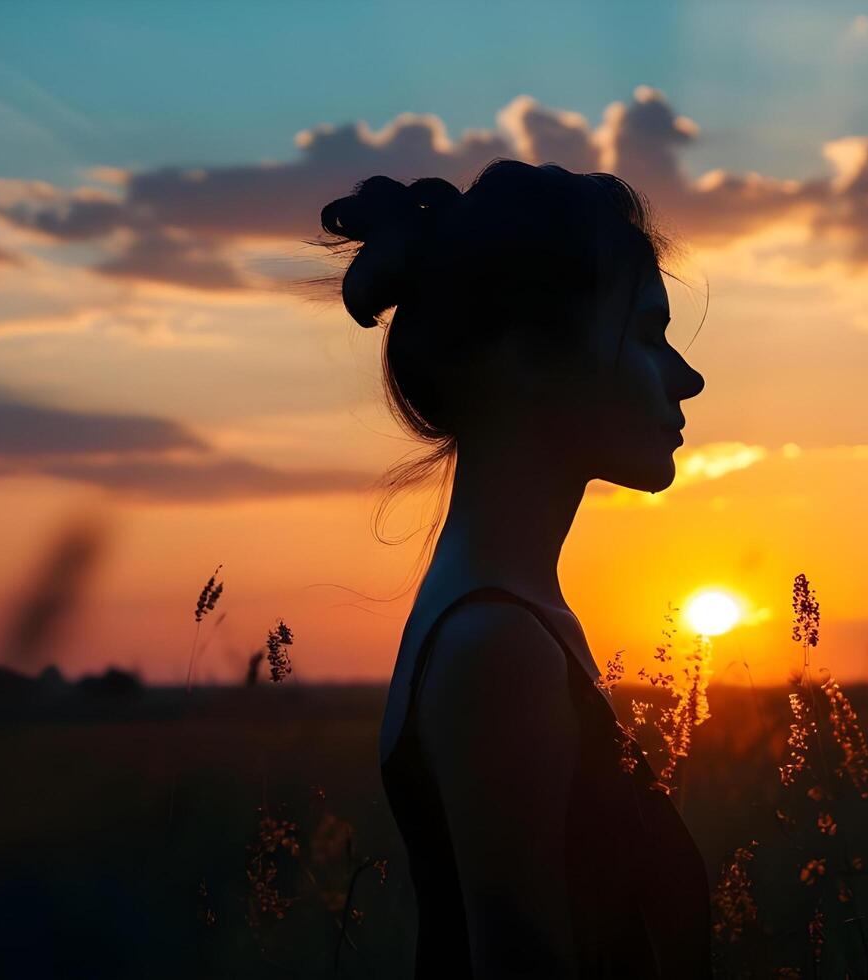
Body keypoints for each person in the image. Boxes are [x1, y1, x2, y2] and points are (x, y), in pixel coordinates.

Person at [317, 159, 711, 977]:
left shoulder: (510, 619)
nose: (689, 378)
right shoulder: (497, 645)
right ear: (527, 356)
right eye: (645, 334)